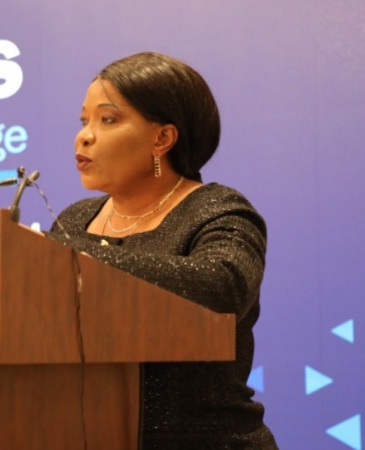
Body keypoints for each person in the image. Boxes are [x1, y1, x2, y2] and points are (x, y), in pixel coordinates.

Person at [48, 52, 278, 449]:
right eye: (84, 121)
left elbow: (221, 289)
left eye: (107, 120)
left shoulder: (219, 210)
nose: (84, 136)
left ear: (163, 139)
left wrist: (74, 258)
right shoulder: (75, 221)